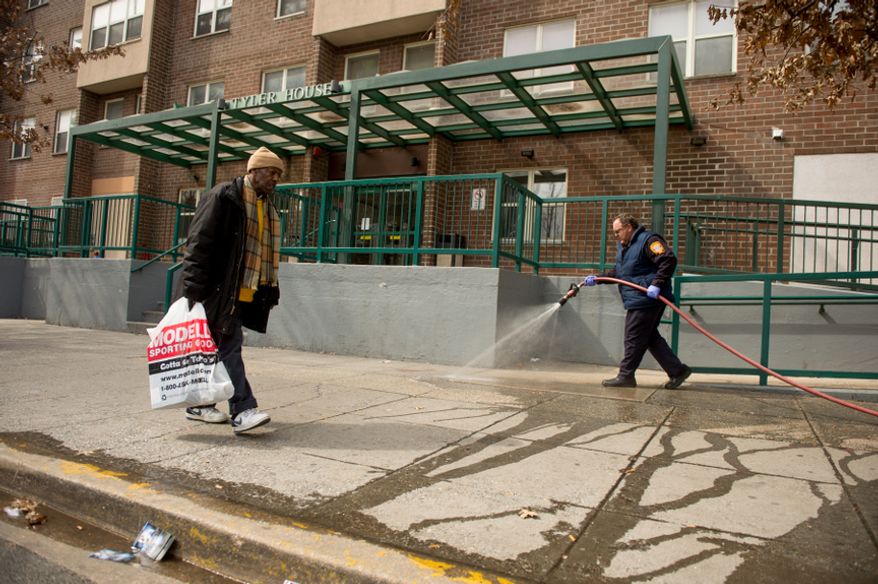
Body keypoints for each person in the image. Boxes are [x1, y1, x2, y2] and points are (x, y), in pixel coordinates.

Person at [180, 146, 283, 434]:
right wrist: (193, 291)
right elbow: (199, 242)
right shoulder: (225, 196)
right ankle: (243, 408)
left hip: (241, 292)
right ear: (253, 170)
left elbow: (261, 253)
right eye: (271, 172)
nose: (275, 178)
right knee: (228, 347)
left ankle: (199, 405)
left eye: (278, 174)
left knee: (215, 349)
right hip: (215, 290)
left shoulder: (266, 207)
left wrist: (268, 293)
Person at [583, 214, 691, 389]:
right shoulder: (624, 247)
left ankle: (626, 376)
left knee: (633, 336)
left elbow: (668, 260)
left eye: (618, 231)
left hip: (647, 298)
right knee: (648, 337)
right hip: (638, 297)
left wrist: (656, 284)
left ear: (628, 228)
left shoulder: (648, 240)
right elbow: (620, 274)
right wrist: (598, 278)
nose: (615, 235)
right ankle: (677, 371)